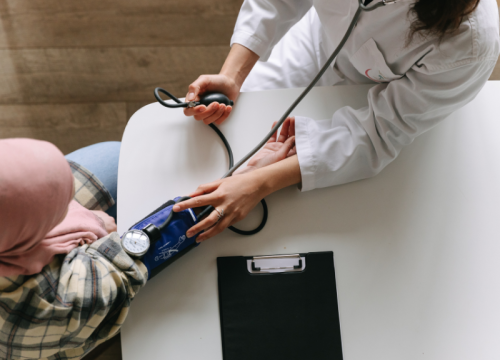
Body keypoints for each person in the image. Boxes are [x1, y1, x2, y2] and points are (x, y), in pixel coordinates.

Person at [173, 0, 500, 242]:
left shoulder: (470, 43)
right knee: (228, 139)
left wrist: (261, 183)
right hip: (314, 44)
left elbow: (379, 134)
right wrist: (232, 74)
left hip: (386, 94)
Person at [0, 139, 147, 359]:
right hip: (49, 332)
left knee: (120, 154)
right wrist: (98, 229)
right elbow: (120, 277)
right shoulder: (43, 304)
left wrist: (80, 219)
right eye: (61, 212)